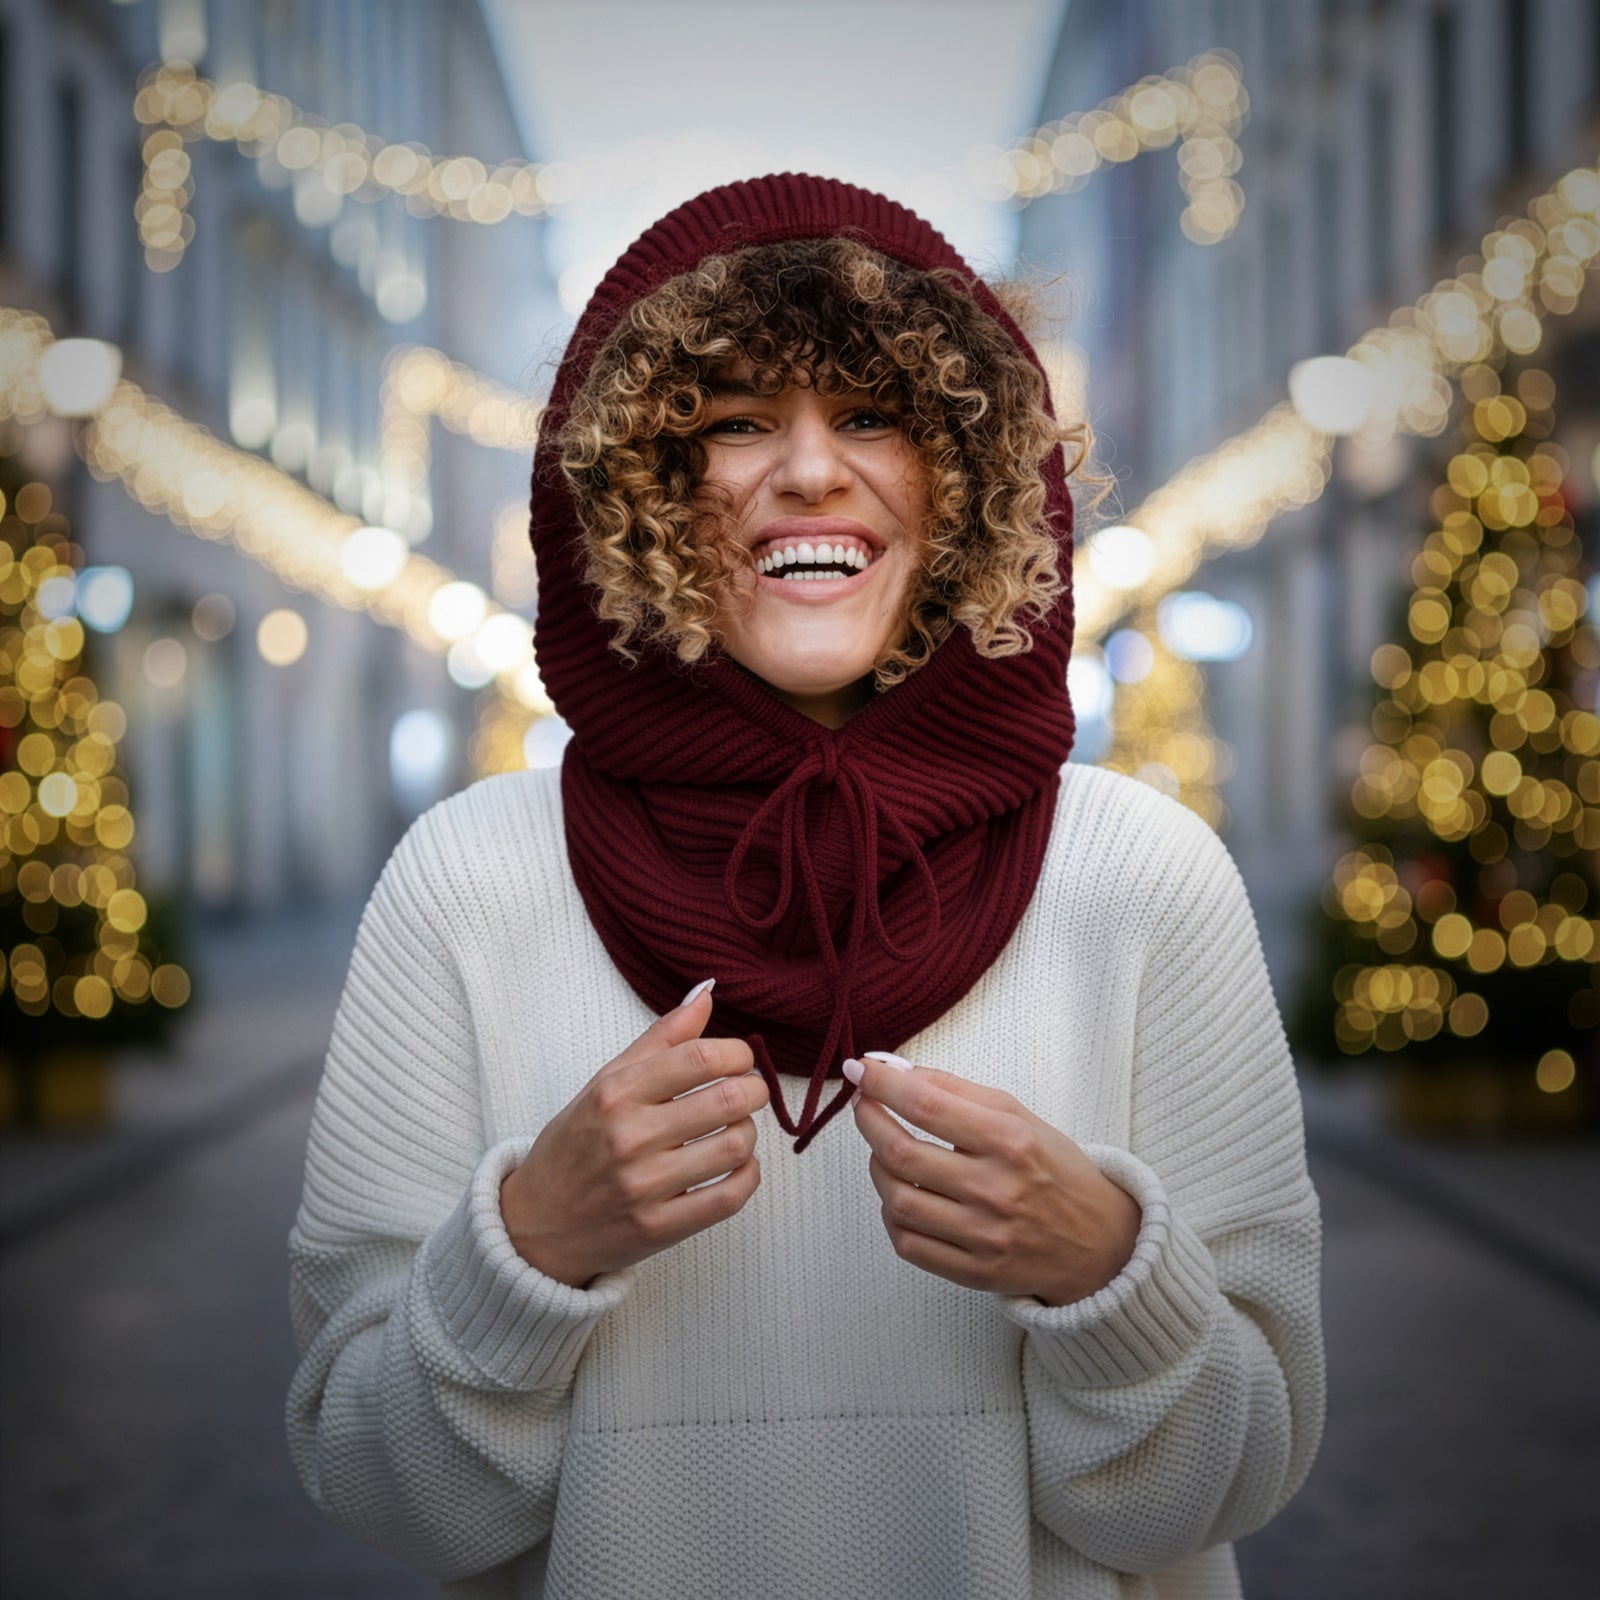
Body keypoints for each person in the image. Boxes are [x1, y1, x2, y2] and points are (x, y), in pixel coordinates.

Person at [286, 173, 1325, 1600]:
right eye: (733, 423)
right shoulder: (467, 883)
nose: (812, 472)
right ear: (638, 484)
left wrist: (1108, 1278)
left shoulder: (1142, 879)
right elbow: (381, 1489)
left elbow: (1232, 1483)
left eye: (876, 415)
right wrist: (525, 1252)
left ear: (972, 477)